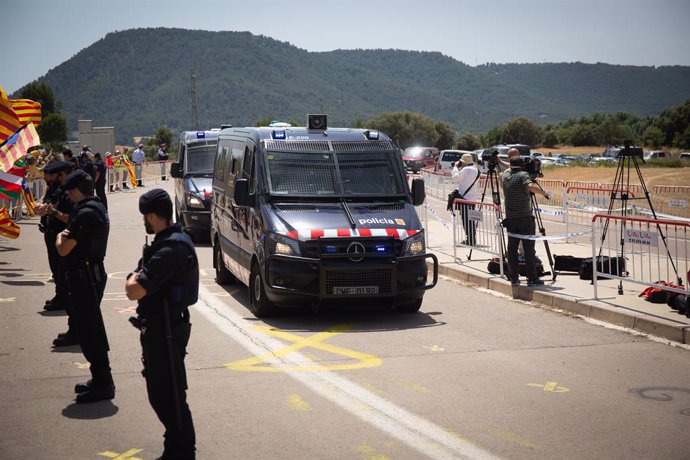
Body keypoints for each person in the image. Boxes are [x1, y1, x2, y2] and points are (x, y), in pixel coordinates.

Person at [125, 189, 198, 459]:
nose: (144, 220)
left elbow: (134, 290)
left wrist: (133, 279)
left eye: (145, 216)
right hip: (159, 326)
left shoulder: (170, 248)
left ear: (152, 216)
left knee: (169, 396)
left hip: (167, 330)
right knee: (162, 393)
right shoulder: (164, 243)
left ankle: (182, 452)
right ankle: (174, 449)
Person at [56, 170, 114, 403]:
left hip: (85, 277)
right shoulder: (94, 207)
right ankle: (99, 378)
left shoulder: (86, 213)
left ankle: (103, 382)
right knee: (89, 329)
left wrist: (60, 236)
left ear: (74, 191)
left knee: (90, 332)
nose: (69, 196)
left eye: (70, 192)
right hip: (88, 275)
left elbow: (64, 248)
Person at [501, 151, 551, 286]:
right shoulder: (523, 175)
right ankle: (532, 277)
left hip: (511, 218)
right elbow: (530, 186)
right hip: (524, 218)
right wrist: (544, 193)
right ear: (522, 165)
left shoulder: (504, 175)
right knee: (529, 249)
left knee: (512, 249)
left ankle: (514, 277)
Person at [451, 153, 481, 246]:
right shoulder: (475, 169)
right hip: (472, 198)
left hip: (465, 198)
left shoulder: (467, 169)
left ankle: (470, 240)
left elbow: (455, 178)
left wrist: (455, 167)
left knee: (466, 220)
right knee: (470, 220)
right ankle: (472, 238)